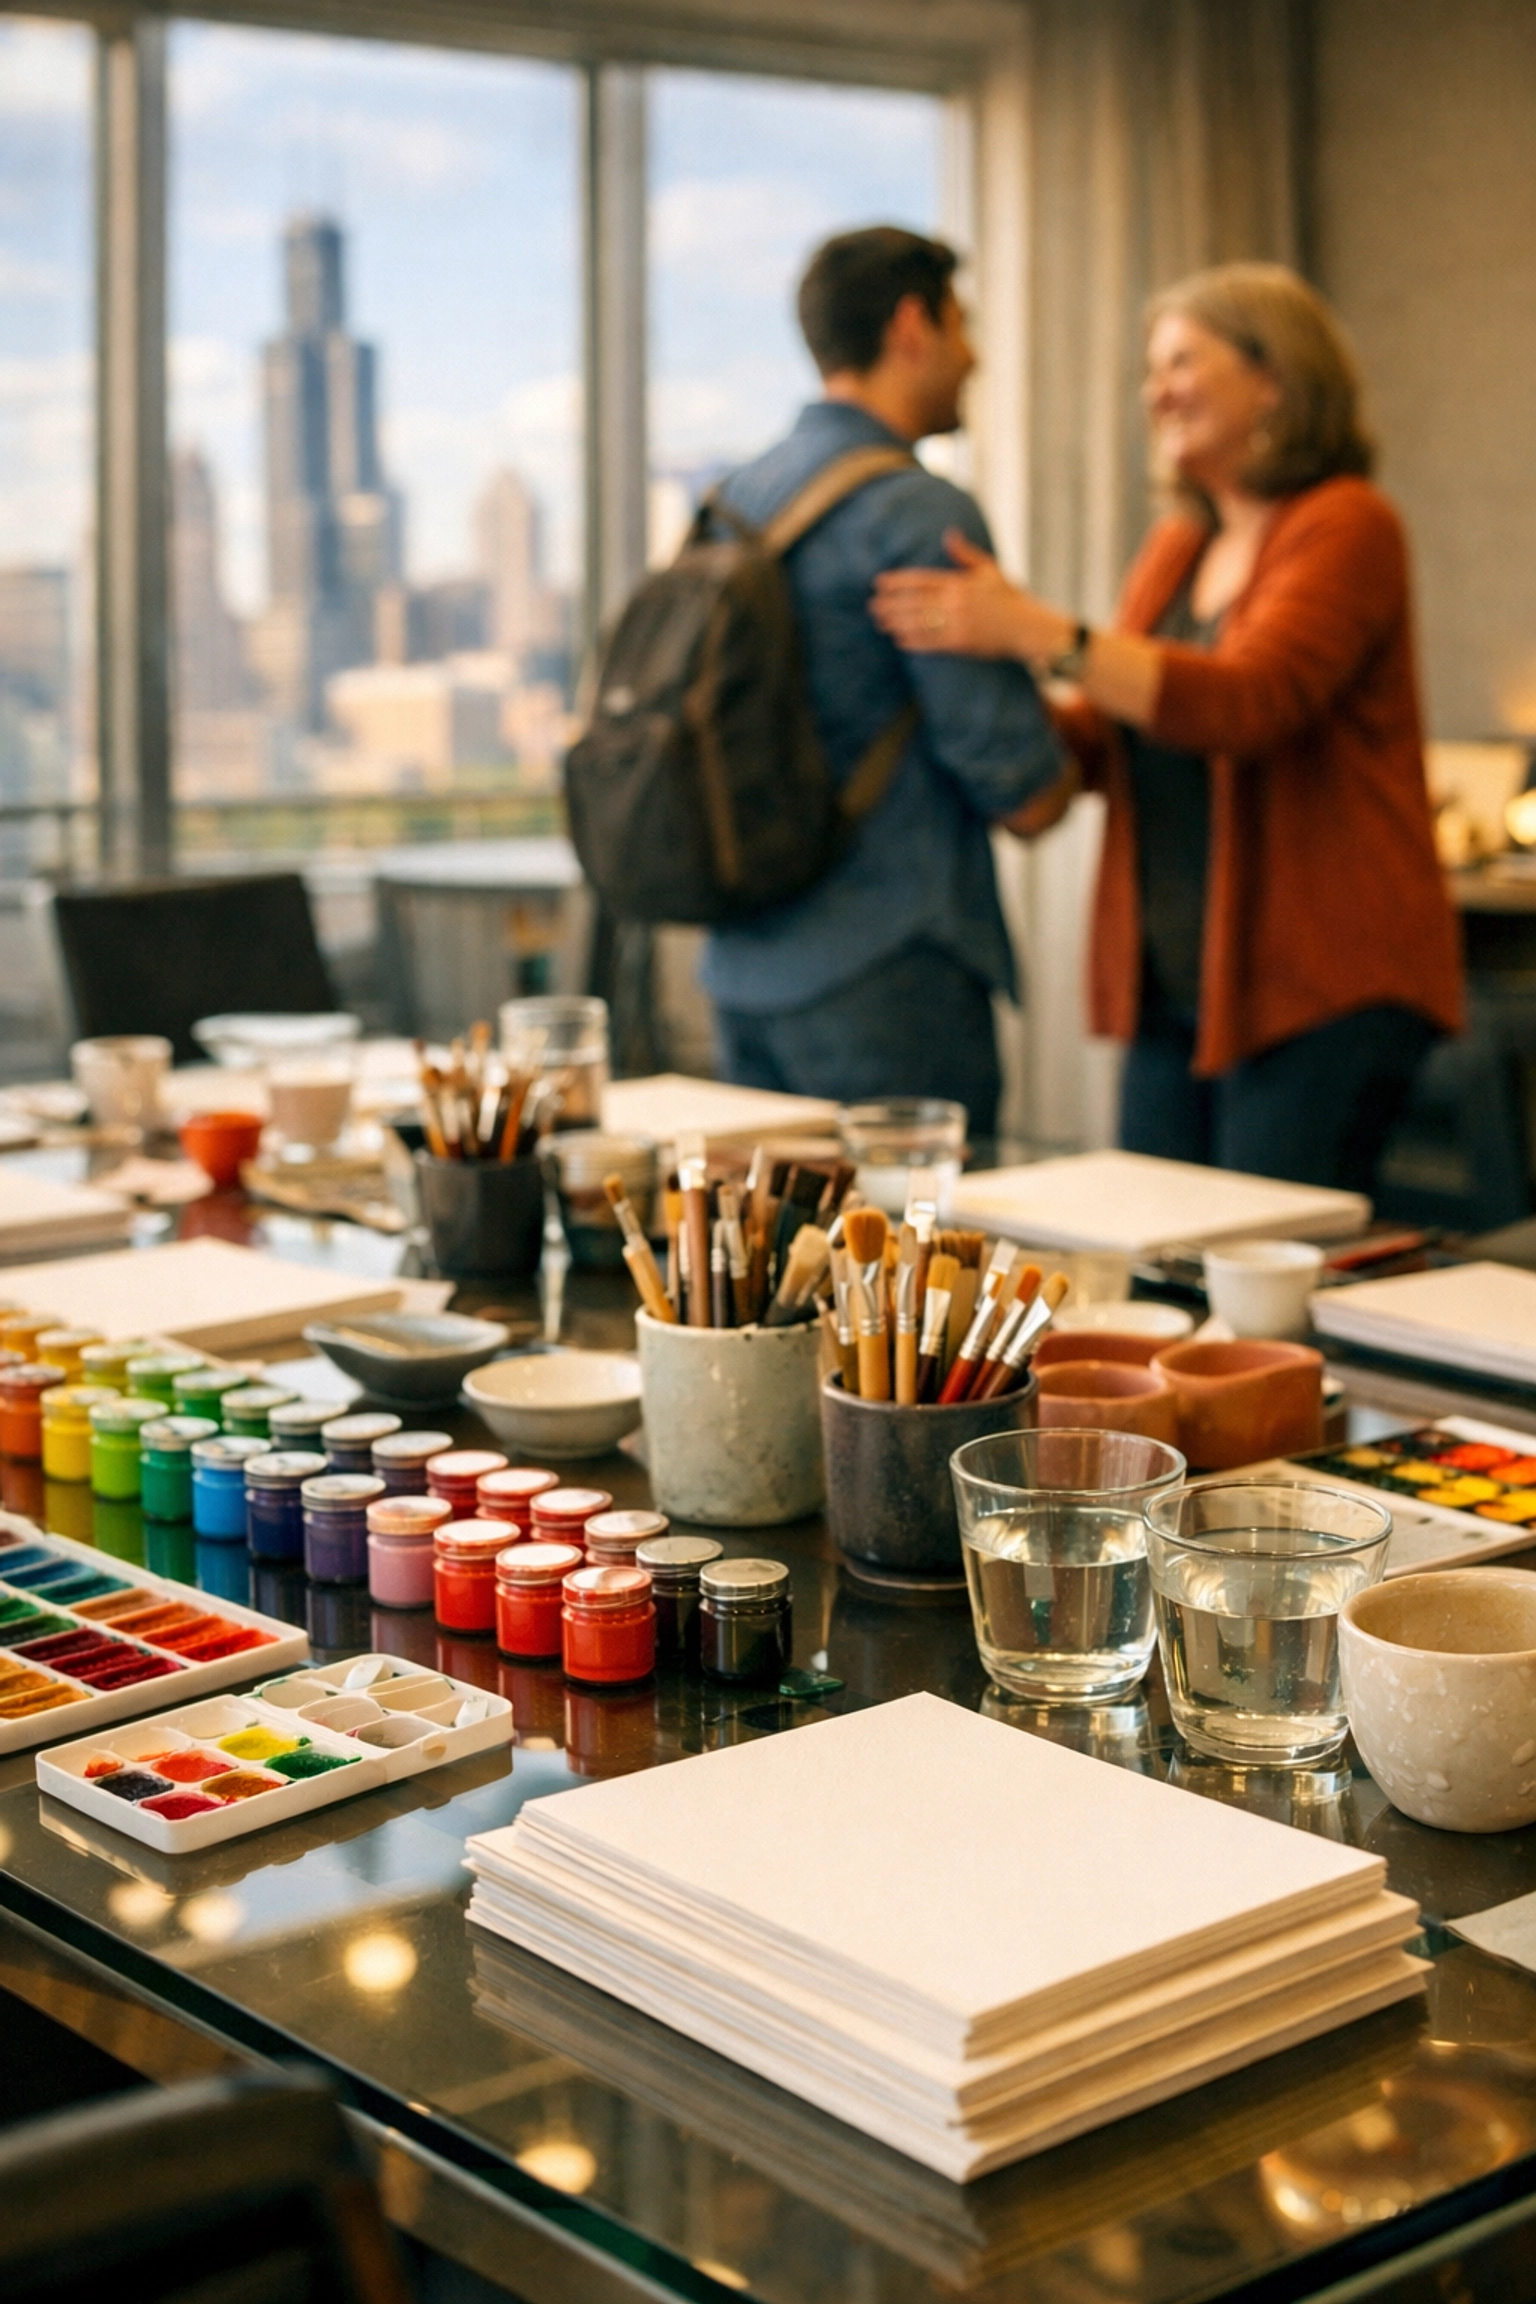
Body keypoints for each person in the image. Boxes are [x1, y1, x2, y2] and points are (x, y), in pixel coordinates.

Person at [872, 261, 1464, 1194]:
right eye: (1153, 371)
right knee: (1149, 1256)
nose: (1157, 393)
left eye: (1183, 361)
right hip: (1179, 983)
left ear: (1275, 377)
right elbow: (1117, 728)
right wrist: (967, 725)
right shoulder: (1179, 541)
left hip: (1321, 985)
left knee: (1260, 1291)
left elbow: (1248, 700)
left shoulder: (1348, 524)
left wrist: (1035, 630)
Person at [701, 227, 1065, 1139]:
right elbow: (1023, 792)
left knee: (768, 1276)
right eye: (961, 324)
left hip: (743, 967)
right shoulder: (916, 510)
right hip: (889, 971)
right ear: (912, 326)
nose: (973, 354)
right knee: (912, 1275)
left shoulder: (731, 500)